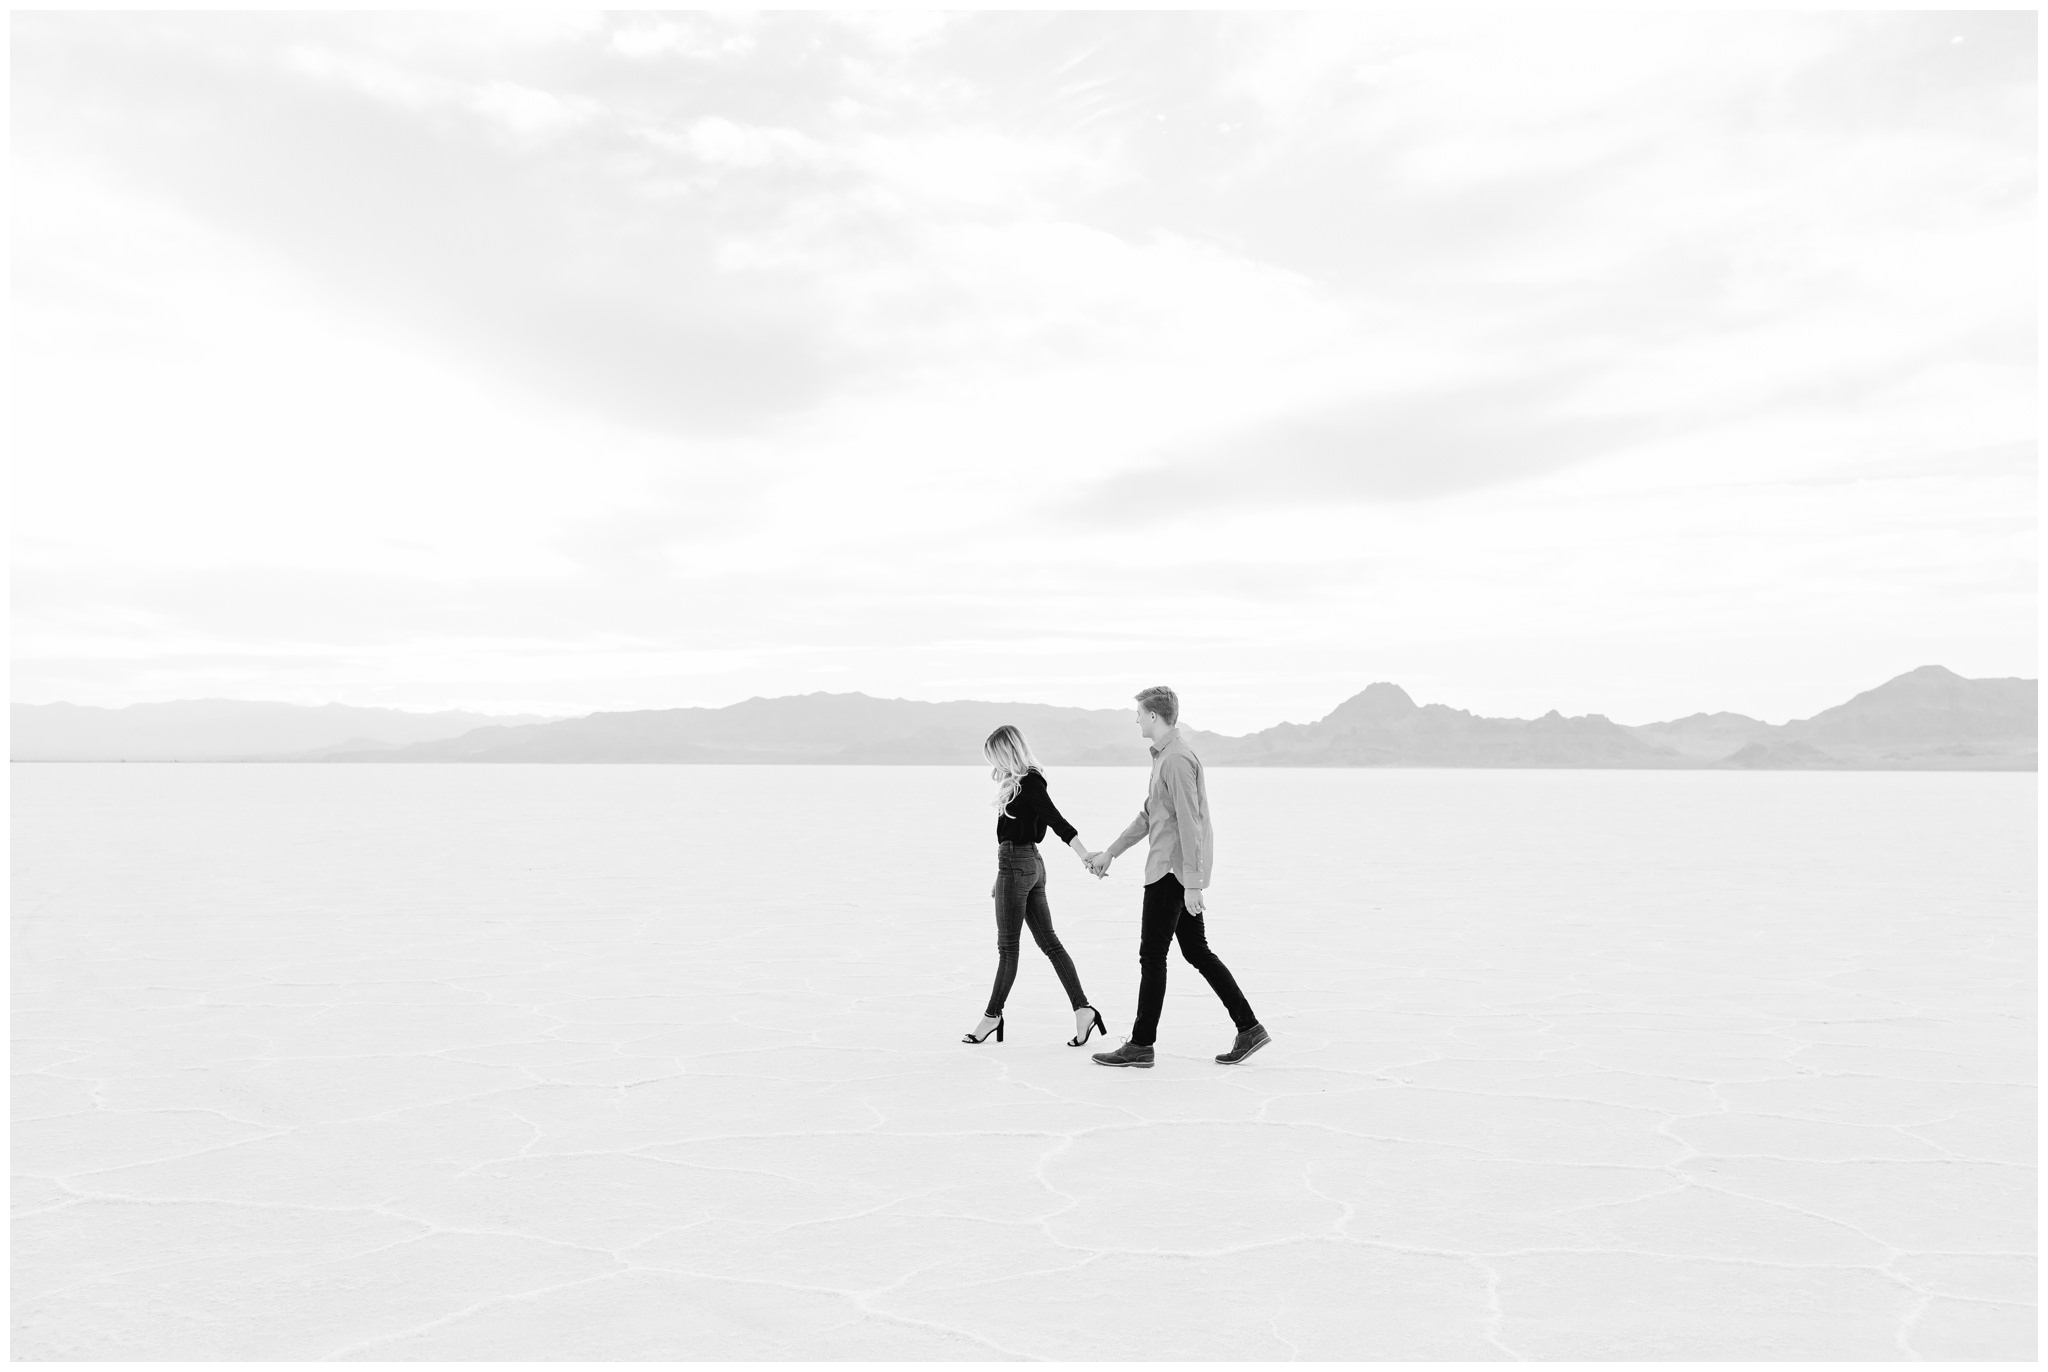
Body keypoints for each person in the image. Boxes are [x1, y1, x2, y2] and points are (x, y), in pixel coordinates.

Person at [1086, 686, 1269, 1067]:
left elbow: (1192, 823)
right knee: (1196, 951)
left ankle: (1140, 1045)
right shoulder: (1164, 758)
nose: (1136, 719)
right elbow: (1149, 816)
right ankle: (1248, 1027)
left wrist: (1192, 885)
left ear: (1154, 716)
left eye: (1139, 713)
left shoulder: (1176, 760)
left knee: (1152, 957)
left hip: (1171, 874)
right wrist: (1111, 853)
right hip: (1173, 873)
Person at [963, 725, 1110, 1048]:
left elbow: (1056, 820)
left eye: (995, 758)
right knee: (1050, 944)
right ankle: (1083, 1009)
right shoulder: (1024, 782)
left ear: (1007, 753)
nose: (994, 766)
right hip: (1026, 866)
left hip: (1018, 868)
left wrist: (1085, 854)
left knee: (1008, 949)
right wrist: (999, 877)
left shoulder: (1028, 783)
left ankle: (992, 1016)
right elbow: (1018, 833)